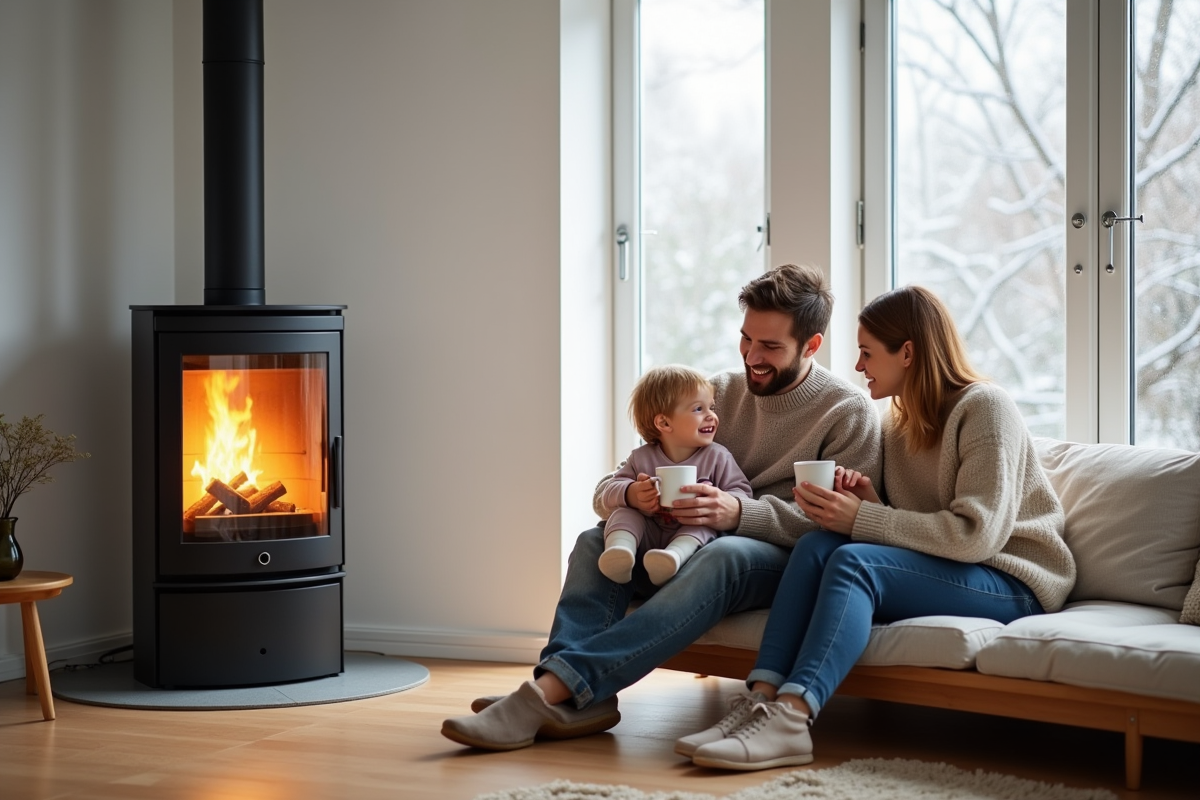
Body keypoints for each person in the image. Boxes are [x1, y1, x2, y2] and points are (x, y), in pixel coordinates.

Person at [440, 263, 882, 752]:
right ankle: (573, 700)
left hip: (775, 557)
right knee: (594, 540)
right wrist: (634, 496)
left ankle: (544, 694)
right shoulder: (719, 394)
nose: (752, 356)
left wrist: (737, 515)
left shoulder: (848, 412)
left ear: (812, 345)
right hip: (686, 541)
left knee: (725, 554)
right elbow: (620, 477)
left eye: (771, 347)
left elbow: (844, 525)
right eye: (746, 339)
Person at [679, 285, 1077, 771]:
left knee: (851, 563)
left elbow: (977, 535)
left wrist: (865, 518)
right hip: (952, 566)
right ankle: (759, 701)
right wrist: (868, 504)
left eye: (868, 353)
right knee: (818, 544)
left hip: (1013, 578)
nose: (859, 366)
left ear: (907, 353)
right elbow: (910, 524)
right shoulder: (897, 420)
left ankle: (793, 717)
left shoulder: (984, 409)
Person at [597, 365, 753, 587]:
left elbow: (742, 493)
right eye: (698, 409)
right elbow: (610, 492)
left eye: (712, 407)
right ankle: (619, 553)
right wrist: (632, 494)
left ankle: (672, 558)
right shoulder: (641, 458)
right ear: (664, 423)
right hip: (648, 534)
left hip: (691, 535)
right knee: (624, 513)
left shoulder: (718, 456)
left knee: (704, 522)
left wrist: (717, 501)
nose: (712, 416)